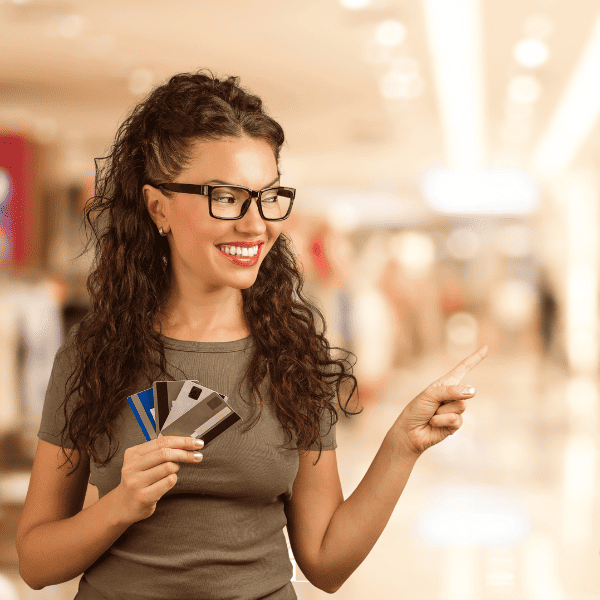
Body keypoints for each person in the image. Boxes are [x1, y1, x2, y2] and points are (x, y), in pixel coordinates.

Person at [15, 70, 488, 599]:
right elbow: (35, 561)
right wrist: (118, 506)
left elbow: (326, 563)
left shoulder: (293, 356)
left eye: (268, 197)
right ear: (157, 207)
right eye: (225, 197)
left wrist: (402, 445)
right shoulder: (92, 354)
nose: (255, 223)